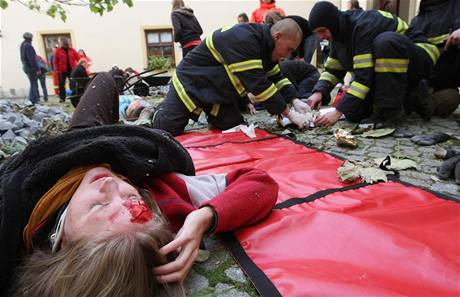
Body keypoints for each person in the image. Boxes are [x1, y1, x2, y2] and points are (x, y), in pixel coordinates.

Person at [0, 72, 278, 296]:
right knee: (110, 83)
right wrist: (204, 217)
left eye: (98, 205)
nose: (110, 184)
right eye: (134, 202)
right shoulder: (161, 198)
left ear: (61, 243)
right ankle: (139, 115)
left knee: (105, 81)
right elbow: (261, 183)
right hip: (122, 146)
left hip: (74, 144)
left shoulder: (12, 221)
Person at [153, 19, 311, 136]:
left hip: (216, 93)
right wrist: (289, 114)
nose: (288, 55)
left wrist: (295, 99)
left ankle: (212, 116)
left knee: (234, 127)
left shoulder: (265, 45)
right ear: (277, 36)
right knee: (166, 129)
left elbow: (277, 76)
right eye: (289, 49)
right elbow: (260, 86)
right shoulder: (246, 41)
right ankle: (155, 111)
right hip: (191, 84)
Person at [306, 2, 440, 128]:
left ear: (333, 23)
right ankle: (409, 95)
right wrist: (319, 92)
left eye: (322, 31)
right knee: (354, 113)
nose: (320, 37)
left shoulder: (362, 27)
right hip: (399, 63)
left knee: (385, 42)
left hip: (422, 56)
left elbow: (363, 78)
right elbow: (333, 70)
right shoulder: (338, 34)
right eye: (317, 33)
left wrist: (337, 112)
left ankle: (391, 110)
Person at [410, 0, 460, 117]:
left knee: (450, 98)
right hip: (427, 79)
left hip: (448, 75)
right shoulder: (417, 20)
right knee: (449, 98)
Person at [54, 37, 80, 102]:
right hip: (62, 70)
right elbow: (55, 61)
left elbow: (78, 58)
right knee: (61, 84)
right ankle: (62, 98)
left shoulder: (72, 50)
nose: (59, 43)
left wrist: (81, 65)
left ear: (64, 43)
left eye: (60, 42)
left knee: (73, 83)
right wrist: (56, 69)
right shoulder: (58, 51)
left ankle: (74, 96)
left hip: (71, 70)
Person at [19, 32, 39, 104]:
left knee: (32, 82)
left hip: (25, 65)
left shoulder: (23, 44)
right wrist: (37, 68)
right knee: (33, 83)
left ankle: (32, 99)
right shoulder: (28, 46)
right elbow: (32, 59)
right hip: (30, 67)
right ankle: (33, 100)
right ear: (30, 38)